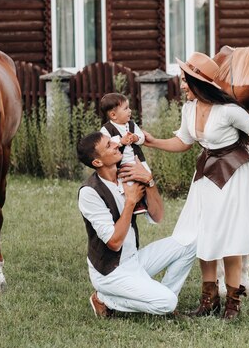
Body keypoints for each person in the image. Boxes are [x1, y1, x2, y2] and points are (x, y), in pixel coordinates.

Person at [143, 52, 249, 321]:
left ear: (199, 82)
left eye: (185, 80)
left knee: (230, 239)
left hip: (235, 176)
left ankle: (233, 305)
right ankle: (209, 300)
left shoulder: (229, 111)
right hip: (206, 177)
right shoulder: (189, 109)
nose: (181, 85)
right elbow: (182, 142)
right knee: (204, 235)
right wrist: (151, 141)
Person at [76, 131, 197, 318]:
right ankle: (104, 299)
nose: (116, 144)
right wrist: (130, 201)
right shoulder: (90, 193)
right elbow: (114, 242)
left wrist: (149, 180)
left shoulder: (126, 174)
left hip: (134, 260)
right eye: (109, 145)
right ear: (97, 162)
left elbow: (158, 216)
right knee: (168, 301)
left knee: (190, 243)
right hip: (110, 272)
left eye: (112, 142)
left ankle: (161, 298)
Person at [99, 93, 149, 214]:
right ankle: (133, 203)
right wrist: (120, 142)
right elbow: (106, 145)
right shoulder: (107, 129)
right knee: (127, 181)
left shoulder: (131, 125)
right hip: (122, 162)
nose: (130, 111)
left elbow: (142, 137)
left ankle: (146, 201)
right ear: (113, 115)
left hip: (137, 159)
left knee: (147, 175)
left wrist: (136, 138)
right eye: (126, 108)